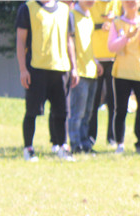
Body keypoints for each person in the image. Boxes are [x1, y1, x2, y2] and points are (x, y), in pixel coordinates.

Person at [16, 0, 80, 162]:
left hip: (61, 68)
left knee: (62, 112)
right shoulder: (27, 8)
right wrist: (23, 69)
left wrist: (74, 67)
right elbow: (21, 40)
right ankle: (28, 149)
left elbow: (69, 40)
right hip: (36, 68)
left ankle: (62, 147)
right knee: (32, 111)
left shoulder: (66, 10)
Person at [108, 0, 140, 153]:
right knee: (120, 109)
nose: (130, 3)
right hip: (122, 72)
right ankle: (120, 144)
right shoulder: (116, 23)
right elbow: (111, 47)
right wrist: (126, 38)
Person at [68, 0, 103, 155]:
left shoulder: (89, 17)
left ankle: (85, 143)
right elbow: (69, 43)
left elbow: (88, 45)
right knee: (78, 111)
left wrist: (96, 62)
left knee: (88, 112)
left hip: (91, 71)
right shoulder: (72, 15)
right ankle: (75, 144)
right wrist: (73, 68)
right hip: (79, 72)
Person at [89, 0, 121, 147]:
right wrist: (99, 26)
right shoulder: (91, 4)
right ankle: (90, 137)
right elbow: (84, 26)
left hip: (114, 58)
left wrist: (114, 23)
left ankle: (113, 137)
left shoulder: (119, 3)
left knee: (114, 101)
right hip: (95, 59)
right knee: (93, 101)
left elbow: (127, 25)